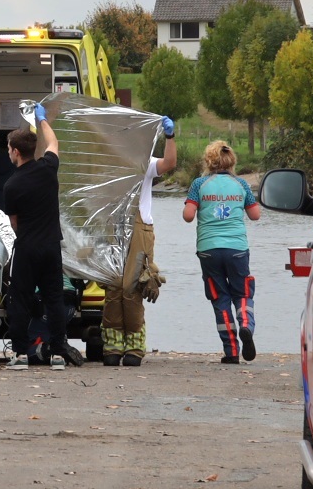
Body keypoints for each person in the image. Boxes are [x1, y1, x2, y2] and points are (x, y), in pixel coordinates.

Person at [1, 106, 75, 368]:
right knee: (54, 298)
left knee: (19, 299)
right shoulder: (48, 168)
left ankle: (20, 354)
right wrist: (42, 119)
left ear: (16, 152)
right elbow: (53, 142)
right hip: (51, 246)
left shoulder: (11, 186)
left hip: (28, 247)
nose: (8, 152)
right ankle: (57, 353)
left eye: (9, 148)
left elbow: (14, 223)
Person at [103, 115, 176, 361]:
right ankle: (113, 345)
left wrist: (170, 136)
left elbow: (170, 163)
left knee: (131, 287)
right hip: (112, 228)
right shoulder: (108, 164)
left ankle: (134, 346)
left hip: (138, 229)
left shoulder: (145, 162)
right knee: (112, 286)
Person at [183, 138, 262, 363]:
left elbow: (188, 216)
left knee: (220, 299)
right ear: (231, 161)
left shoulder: (199, 184)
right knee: (243, 293)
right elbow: (255, 215)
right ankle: (246, 325)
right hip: (237, 249)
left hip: (208, 250)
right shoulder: (242, 185)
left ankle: (231, 352)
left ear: (209, 161)